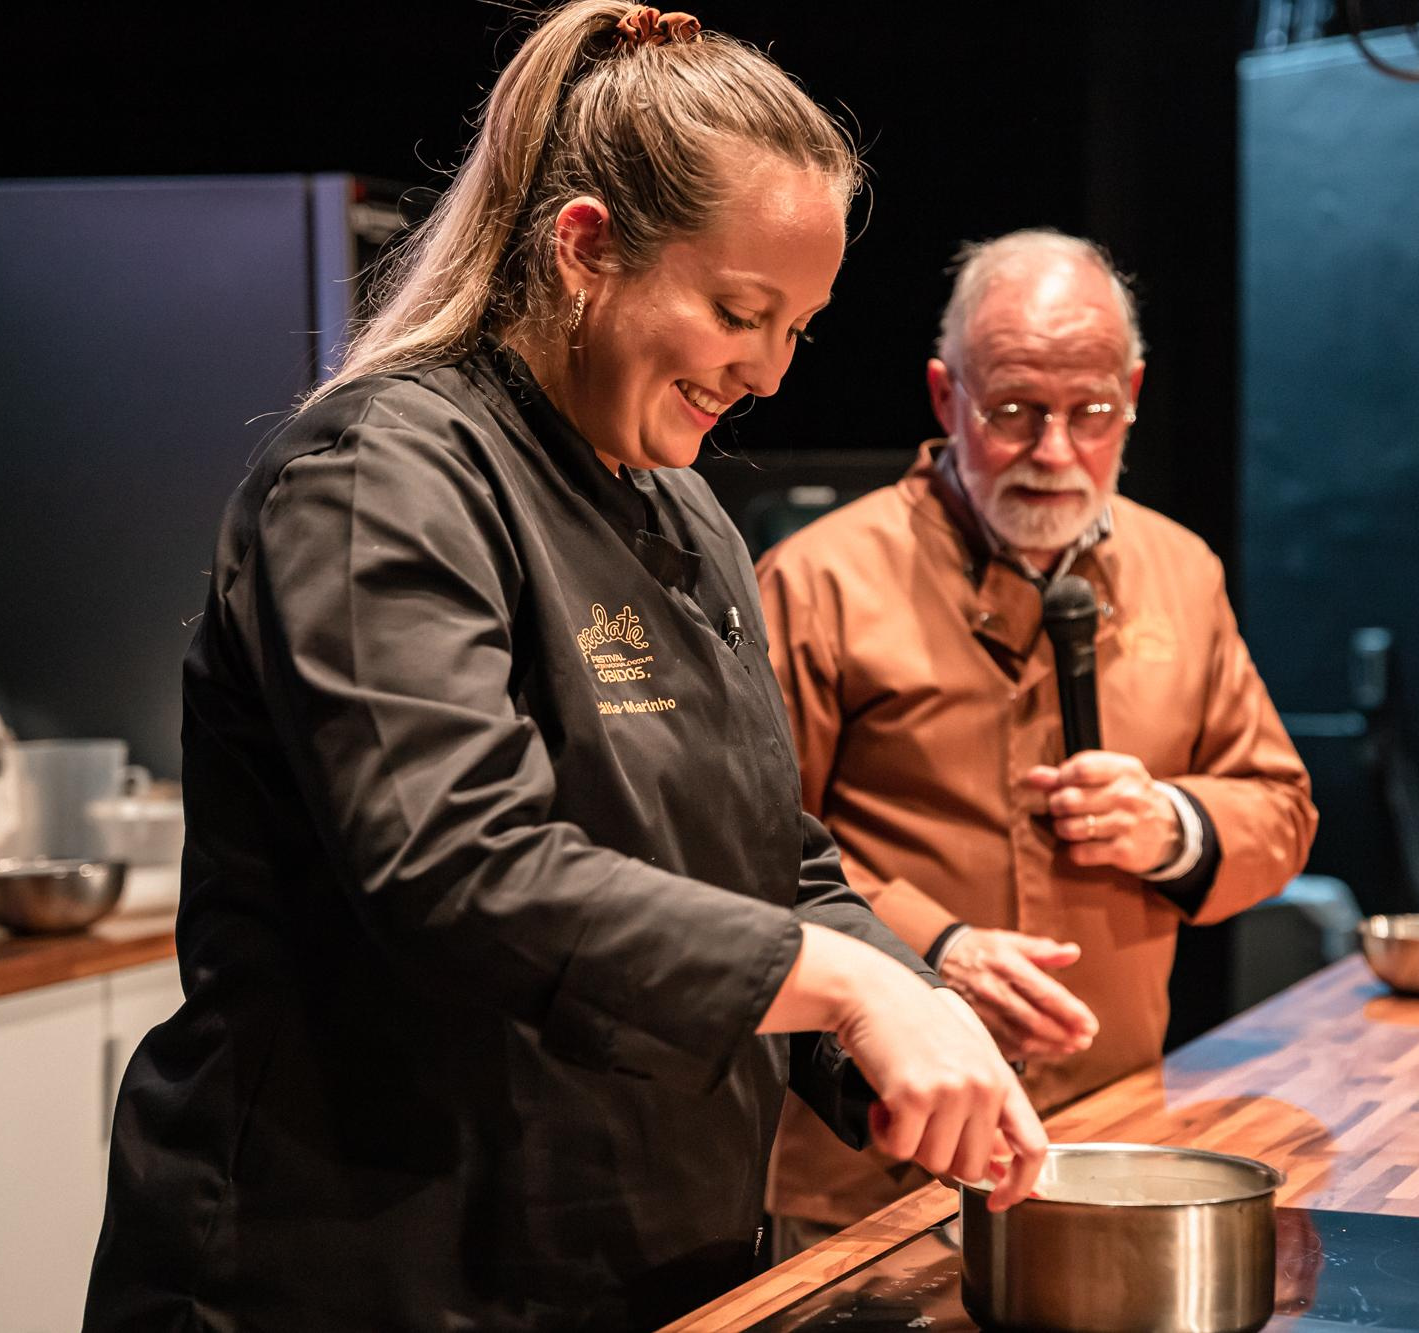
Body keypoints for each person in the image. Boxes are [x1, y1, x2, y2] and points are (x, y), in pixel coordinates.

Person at [83, 7, 1043, 1329]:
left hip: (641, 1259)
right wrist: (848, 983)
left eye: (797, 330)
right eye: (739, 313)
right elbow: (457, 866)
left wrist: (907, 1029)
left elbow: (770, 861)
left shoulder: (682, 507)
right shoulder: (381, 474)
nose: (767, 373)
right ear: (584, 247)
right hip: (366, 1270)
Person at [757, 229, 1318, 1249]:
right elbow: (747, 851)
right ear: (946, 397)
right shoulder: (817, 580)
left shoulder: (1181, 570)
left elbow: (1280, 808)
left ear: (1132, 393)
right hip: (871, 1170)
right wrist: (934, 947)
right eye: (1013, 411)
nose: (1054, 451)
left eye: (1090, 412)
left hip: (1112, 1139)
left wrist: (1175, 825)